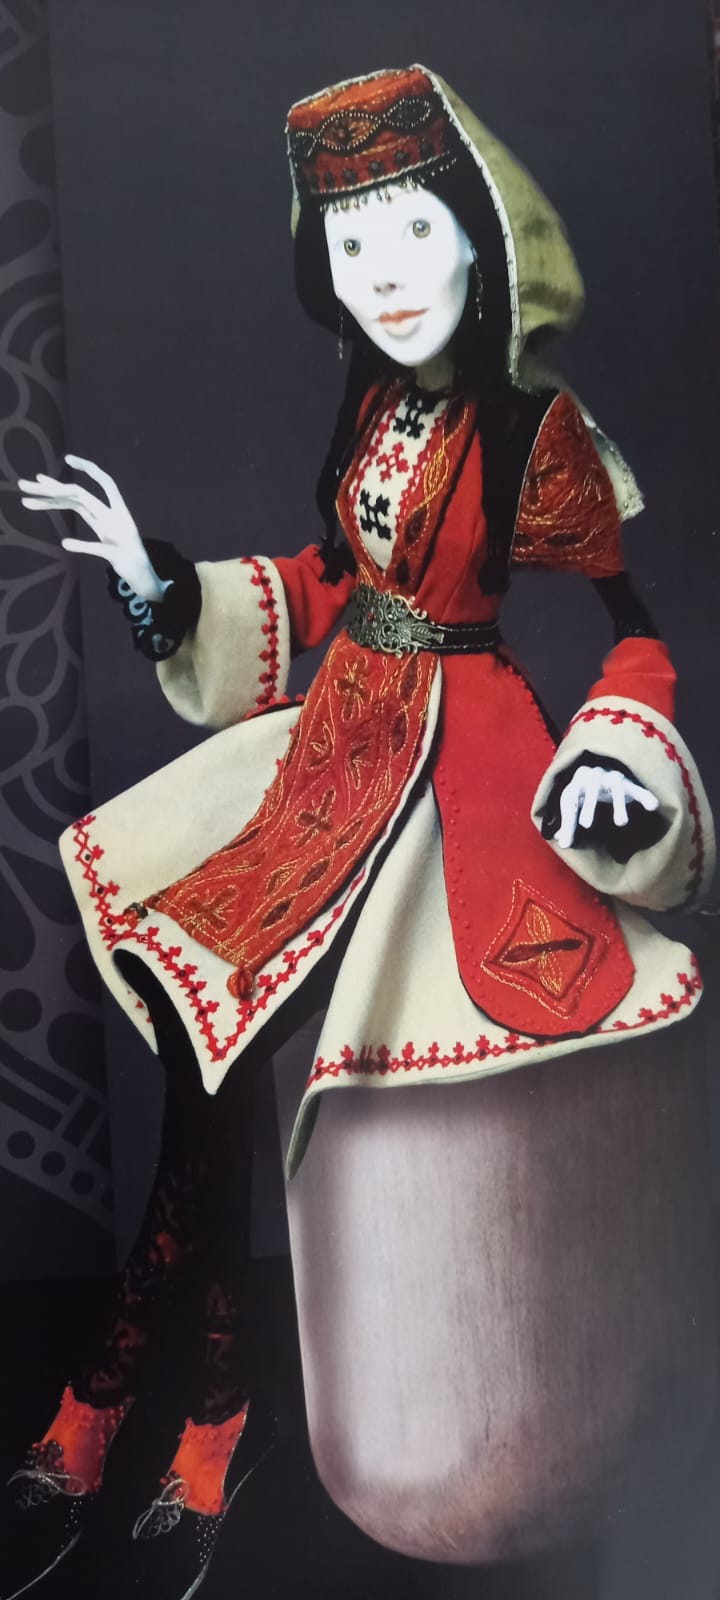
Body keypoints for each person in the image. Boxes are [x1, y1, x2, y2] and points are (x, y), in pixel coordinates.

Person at [5, 63, 714, 1600]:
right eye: (348, 240)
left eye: (411, 231)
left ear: (478, 237)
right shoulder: (376, 401)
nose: (382, 271)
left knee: (237, 1090)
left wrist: (618, 755)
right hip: (332, 755)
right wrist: (157, 579)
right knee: (205, 1065)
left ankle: (148, 1407)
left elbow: (634, 629)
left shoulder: (533, 430)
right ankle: (194, 1406)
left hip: (458, 771)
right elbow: (333, 580)